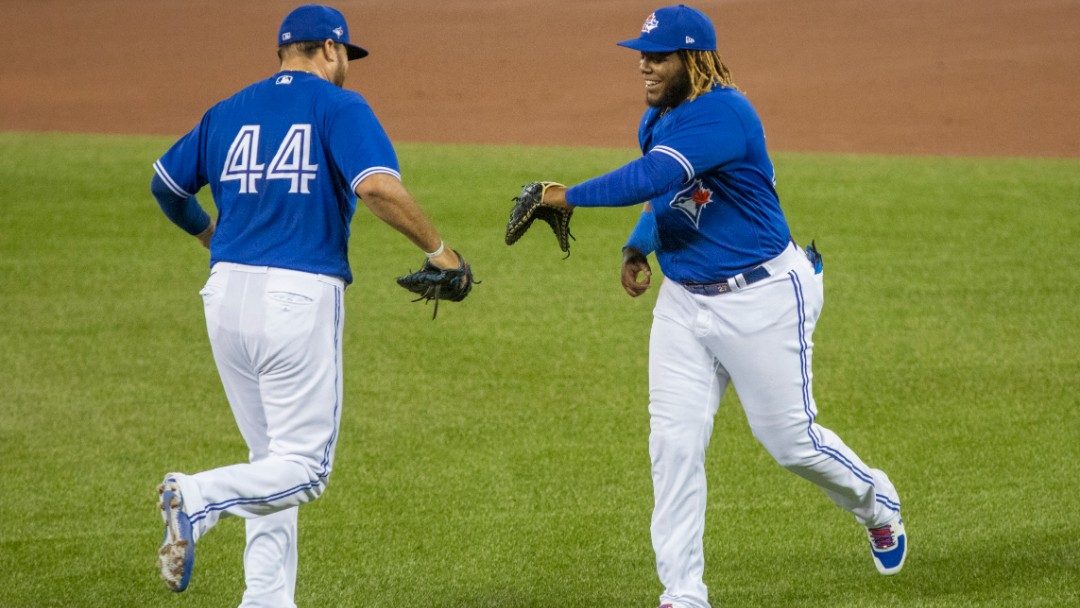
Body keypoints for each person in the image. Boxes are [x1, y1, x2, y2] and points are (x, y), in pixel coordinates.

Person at [536, 5, 906, 607]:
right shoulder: (660, 116)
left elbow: (650, 174)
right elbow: (669, 194)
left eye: (657, 57)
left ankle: (875, 500)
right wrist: (638, 245)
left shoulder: (725, 114)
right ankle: (683, 594)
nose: (644, 67)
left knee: (791, 444)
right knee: (674, 445)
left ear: (694, 59)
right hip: (684, 303)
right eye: (641, 56)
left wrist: (565, 196)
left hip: (761, 297)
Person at [149, 4, 471, 605]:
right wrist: (441, 251)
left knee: (268, 461)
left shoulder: (228, 110)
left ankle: (265, 599)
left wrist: (206, 234)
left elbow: (167, 184)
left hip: (224, 296)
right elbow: (375, 184)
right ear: (329, 48)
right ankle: (196, 497)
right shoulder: (339, 106)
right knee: (305, 470)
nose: (347, 65)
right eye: (347, 53)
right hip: (296, 299)